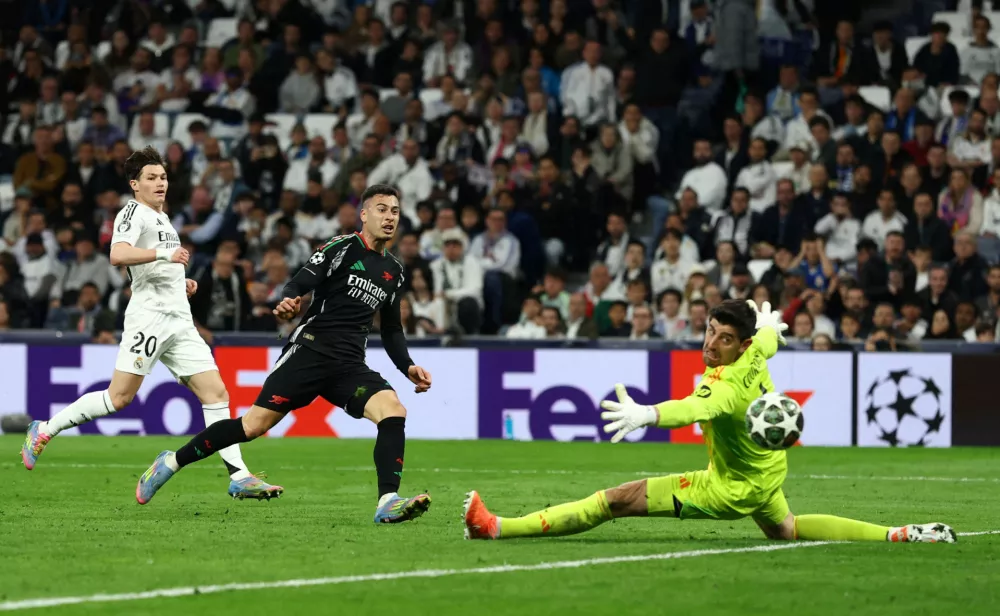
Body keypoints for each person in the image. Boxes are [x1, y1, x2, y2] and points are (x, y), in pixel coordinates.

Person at [464, 299, 956, 544]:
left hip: (729, 488)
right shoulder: (754, 350)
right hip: (764, 474)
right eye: (708, 331)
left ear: (737, 346)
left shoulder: (723, 386)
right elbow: (767, 338)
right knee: (785, 530)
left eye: (721, 338)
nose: (708, 344)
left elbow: (692, 408)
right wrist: (773, 330)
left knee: (613, 500)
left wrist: (648, 414)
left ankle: (496, 527)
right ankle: (898, 534)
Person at [134, 185, 434, 525]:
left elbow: (391, 329)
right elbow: (299, 281)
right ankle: (171, 461)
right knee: (252, 426)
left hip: (349, 365)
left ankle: (388, 500)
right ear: (364, 215)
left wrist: (407, 365)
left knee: (393, 411)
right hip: (309, 352)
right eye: (381, 209)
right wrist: (290, 300)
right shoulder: (342, 247)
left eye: (394, 211)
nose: (389, 217)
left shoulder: (393, 271)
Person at [20, 147, 280, 501]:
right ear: (135, 185)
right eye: (151, 178)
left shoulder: (163, 218)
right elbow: (118, 253)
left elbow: (153, 266)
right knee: (120, 397)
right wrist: (165, 256)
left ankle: (238, 475)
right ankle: (44, 429)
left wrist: (179, 279)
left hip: (179, 321)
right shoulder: (133, 212)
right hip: (151, 318)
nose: (160, 183)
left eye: (163, 177)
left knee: (216, 393)